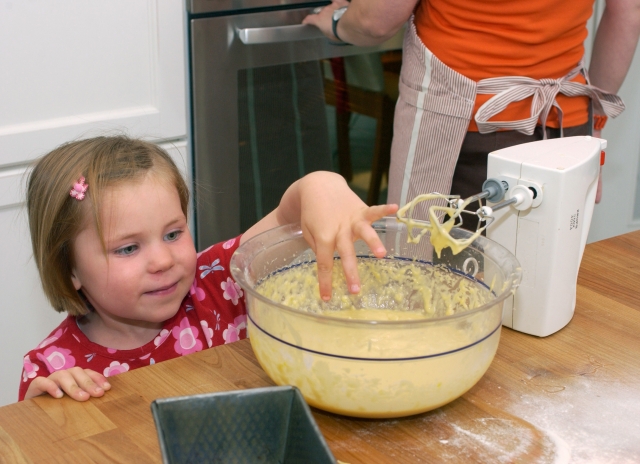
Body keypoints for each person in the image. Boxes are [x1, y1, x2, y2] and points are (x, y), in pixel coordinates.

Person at [19, 136, 398, 402]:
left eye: (173, 233)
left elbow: (291, 214)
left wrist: (324, 185)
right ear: (70, 268)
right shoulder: (51, 368)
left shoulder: (218, 279)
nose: (164, 261)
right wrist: (44, 411)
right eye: (129, 248)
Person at [304, 0, 639, 227]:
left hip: (459, 132)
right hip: (564, 125)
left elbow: (375, 21)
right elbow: (628, 11)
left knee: (429, 291)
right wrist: (594, 124)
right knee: (540, 294)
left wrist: (336, 20)